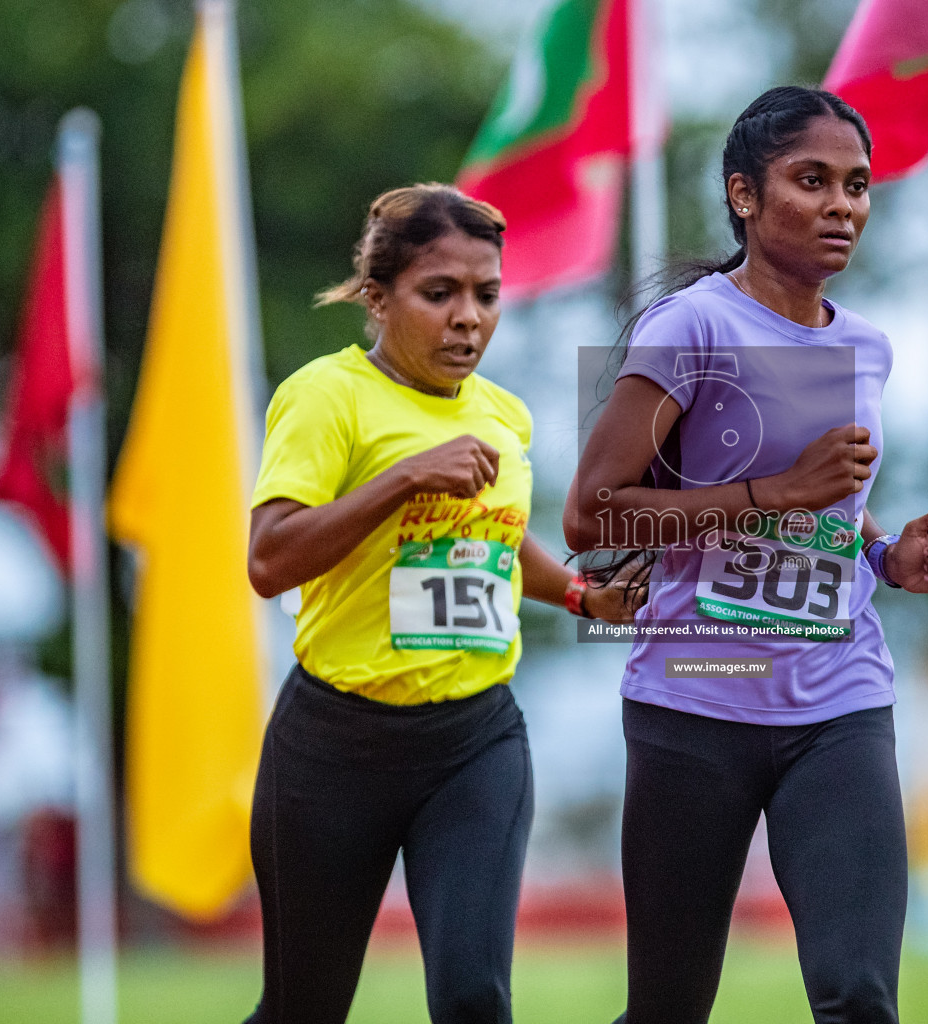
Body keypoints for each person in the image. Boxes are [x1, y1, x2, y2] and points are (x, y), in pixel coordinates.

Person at [565, 87, 928, 1024]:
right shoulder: (692, 328)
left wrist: (891, 558)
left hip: (841, 704)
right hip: (696, 696)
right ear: (745, 196)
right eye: (812, 181)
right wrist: (776, 494)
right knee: (667, 1009)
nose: (843, 206)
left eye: (858, 186)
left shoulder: (868, 347)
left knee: (861, 995)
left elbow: (837, 519)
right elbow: (592, 518)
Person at [243, 183, 635, 1024]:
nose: (468, 318)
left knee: (472, 998)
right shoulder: (326, 397)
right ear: (378, 299)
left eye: (486, 295)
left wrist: (580, 594)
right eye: (439, 293)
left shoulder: (505, 417)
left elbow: (489, 541)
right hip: (332, 747)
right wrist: (404, 477)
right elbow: (270, 560)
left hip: (473, 743)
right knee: (301, 1009)